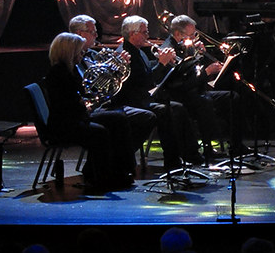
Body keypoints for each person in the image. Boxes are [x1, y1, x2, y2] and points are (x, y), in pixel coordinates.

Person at [43, 32, 136, 191]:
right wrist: (83, 105)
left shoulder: (68, 70)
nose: (82, 54)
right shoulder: (58, 73)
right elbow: (66, 106)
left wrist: (85, 103)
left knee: (118, 119)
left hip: (75, 117)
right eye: (79, 51)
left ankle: (122, 170)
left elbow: (75, 99)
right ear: (69, 52)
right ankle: (100, 179)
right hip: (65, 125)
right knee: (100, 133)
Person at [112, 16, 202, 169]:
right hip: (132, 102)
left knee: (177, 108)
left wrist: (166, 63)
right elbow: (145, 82)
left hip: (142, 99)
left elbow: (148, 75)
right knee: (165, 110)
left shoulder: (138, 51)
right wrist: (162, 63)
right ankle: (173, 161)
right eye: (144, 32)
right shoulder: (125, 54)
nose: (148, 36)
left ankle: (189, 154)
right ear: (133, 34)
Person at [158, 15, 248, 160]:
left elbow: (195, 74)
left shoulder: (187, 46)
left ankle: (236, 145)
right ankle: (207, 148)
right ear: (177, 34)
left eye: (195, 34)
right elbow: (181, 84)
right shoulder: (168, 51)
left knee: (232, 97)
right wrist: (207, 73)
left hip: (195, 92)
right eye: (191, 35)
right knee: (204, 101)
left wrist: (202, 56)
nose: (194, 38)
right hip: (179, 96)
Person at [68, 14, 157, 160]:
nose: (97, 35)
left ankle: (120, 159)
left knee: (130, 117)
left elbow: (109, 84)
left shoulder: (92, 55)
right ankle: (120, 159)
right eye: (92, 32)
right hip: (89, 109)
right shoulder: (72, 60)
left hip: (103, 104)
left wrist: (116, 70)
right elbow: (86, 88)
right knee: (122, 119)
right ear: (79, 34)